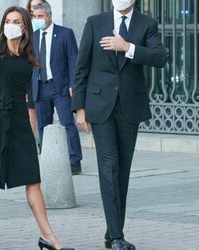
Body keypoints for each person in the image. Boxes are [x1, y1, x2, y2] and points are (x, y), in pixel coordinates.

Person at [0, 7, 74, 250]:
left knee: (32, 179)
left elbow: (30, 95)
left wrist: (33, 127)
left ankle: (48, 236)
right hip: (0, 120)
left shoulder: (29, 54)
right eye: (8, 20)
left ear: (24, 27)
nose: (11, 24)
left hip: (21, 122)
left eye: (16, 21)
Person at [71, 0, 167, 249]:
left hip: (129, 108)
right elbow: (81, 67)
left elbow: (160, 57)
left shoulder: (147, 24)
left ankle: (112, 232)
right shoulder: (95, 22)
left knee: (122, 171)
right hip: (100, 106)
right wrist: (79, 108)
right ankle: (116, 237)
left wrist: (128, 47)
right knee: (109, 167)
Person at [31, 2, 82, 174]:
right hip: (40, 86)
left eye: (40, 16)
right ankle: (48, 158)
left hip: (60, 87)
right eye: (35, 16)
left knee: (67, 123)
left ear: (49, 16)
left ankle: (75, 160)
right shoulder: (32, 36)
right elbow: (28, 64)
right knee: (42, 125)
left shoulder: (65, 34)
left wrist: (73, 84)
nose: (37, 19)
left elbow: (73, 59)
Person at [25, 0, 46, 137]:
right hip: (31, 74)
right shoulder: (26, 28)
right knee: (31, 110)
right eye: (33, 6)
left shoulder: (46, 24)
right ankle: (32, 142)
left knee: (43, 112)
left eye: (39, 5)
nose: (36, 8)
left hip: (46, 74)